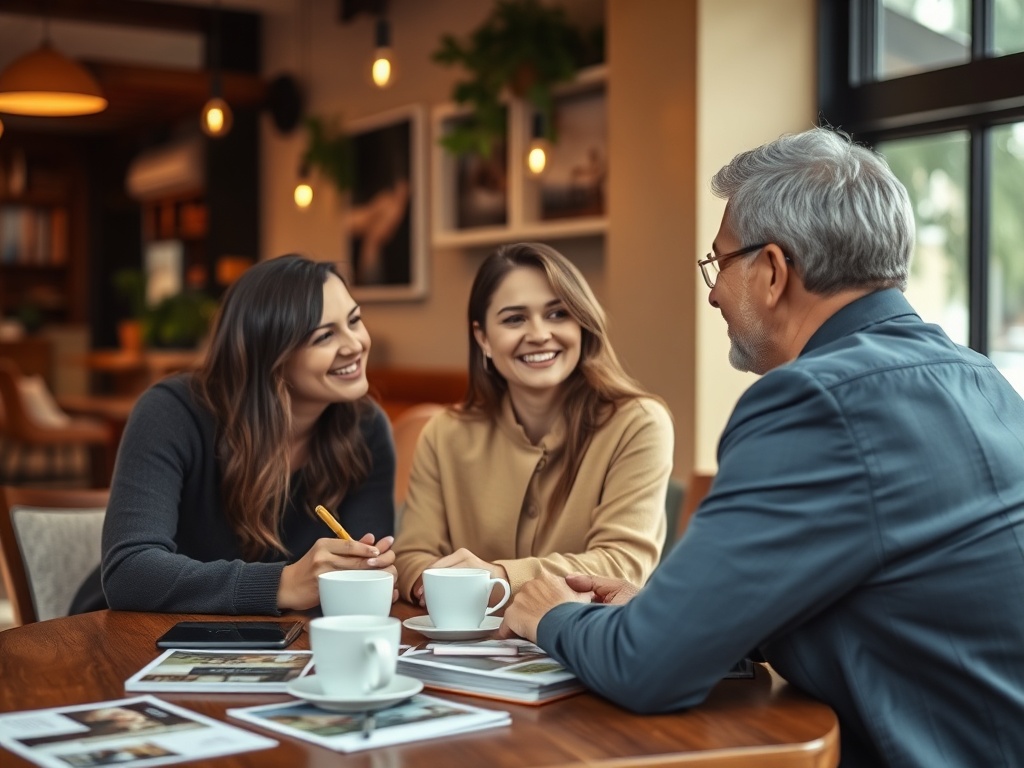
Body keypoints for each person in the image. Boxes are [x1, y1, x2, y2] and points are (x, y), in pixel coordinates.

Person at [500, 128, 1024, 767]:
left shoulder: (816, 402)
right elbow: (895, 599)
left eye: (719, 262)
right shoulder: (981, 378)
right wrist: (674, 612)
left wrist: (551, 616)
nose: (714, 291)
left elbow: (646, 669)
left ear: (772, 271)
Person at [71, 255, 396, 615]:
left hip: (273, 641)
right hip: (132, 632)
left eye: (354, 320)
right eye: (324, 336)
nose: (355, 344)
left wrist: (372, 573)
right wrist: (282, 584)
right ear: (269, 354)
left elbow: (359, 577)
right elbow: (130, 573)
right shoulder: (171, 412)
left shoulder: (366, 429)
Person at [393, 242, 674, 605]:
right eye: (514, 319)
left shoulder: (638, 424)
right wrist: (427, 581)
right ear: (483, 338)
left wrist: (498, 577)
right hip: (467, 635)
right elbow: (411, 555)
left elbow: (621, 564)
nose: (540, 334)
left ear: (581, 322)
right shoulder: (443, 434)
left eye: (558, 314)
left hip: (583, 637)